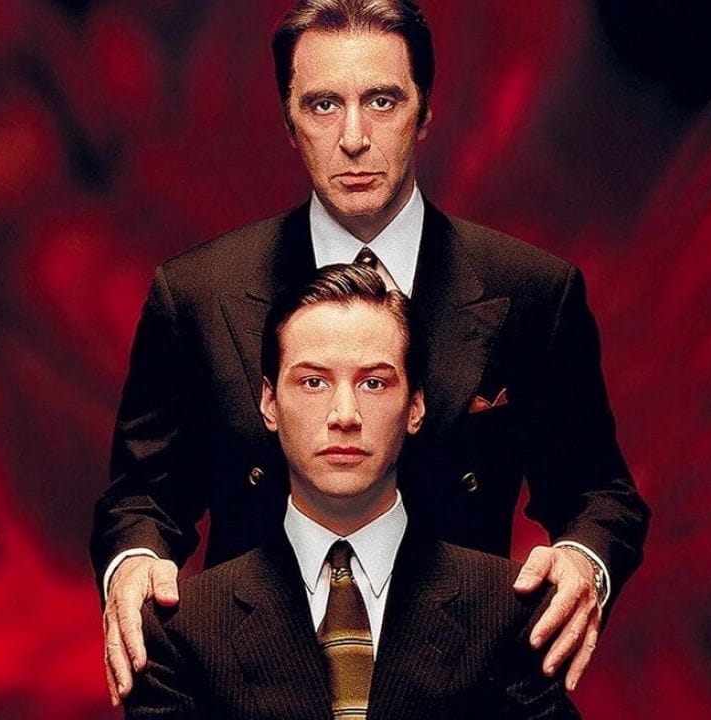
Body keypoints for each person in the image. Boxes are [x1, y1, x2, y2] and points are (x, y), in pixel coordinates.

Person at [93, 0, 650, 706]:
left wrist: (583, 560)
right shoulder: (198, 292)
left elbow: (599, 493)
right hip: (251, 682)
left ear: (424, 112)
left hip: (464, 684)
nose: (353, 138)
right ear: (288, 122)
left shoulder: (532, 291)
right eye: (323, 105)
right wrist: (134, 562)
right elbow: (143, 494)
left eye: (382, 101)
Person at [126, 264, 579, 718]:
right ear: (269, 403)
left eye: (373, 383)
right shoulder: (183, 628)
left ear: (415, 406)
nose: (345, 415)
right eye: (313, 382)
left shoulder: (512, 612)